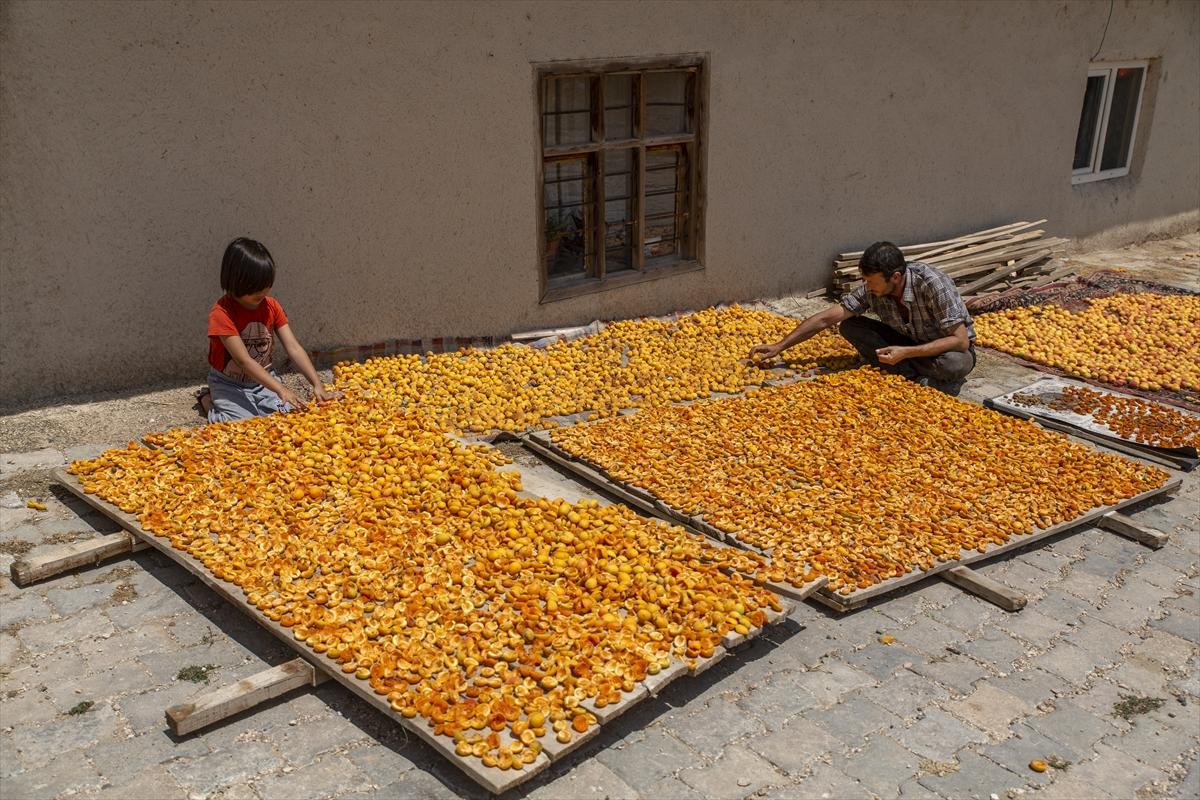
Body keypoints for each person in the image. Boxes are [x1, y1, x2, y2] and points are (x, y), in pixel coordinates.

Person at [749, 241, 976, 390]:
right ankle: (914, 377)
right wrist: (780, 346)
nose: (867, 286)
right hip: (907, 343)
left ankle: (914, 372)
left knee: (955, 363)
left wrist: (906, 352)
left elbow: (960, 340)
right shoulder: (873, 288)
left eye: (870, 280)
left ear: (895, 277)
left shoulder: (932, 283)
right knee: (849, 326)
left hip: (944, 347)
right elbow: (827, 318)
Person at [198, 238, 339, 423]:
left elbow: (293, 347)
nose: (263, 294)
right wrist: (281, 389)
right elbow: (244, 361)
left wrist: (317, 385)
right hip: (229, 384)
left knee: (290, 415)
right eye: (256, 291)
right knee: (241, 425)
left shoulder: (271, 306)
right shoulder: (222, 313)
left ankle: (257, 401)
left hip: (263, 382)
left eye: (266, 288)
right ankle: (208, 401)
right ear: (235, 282)